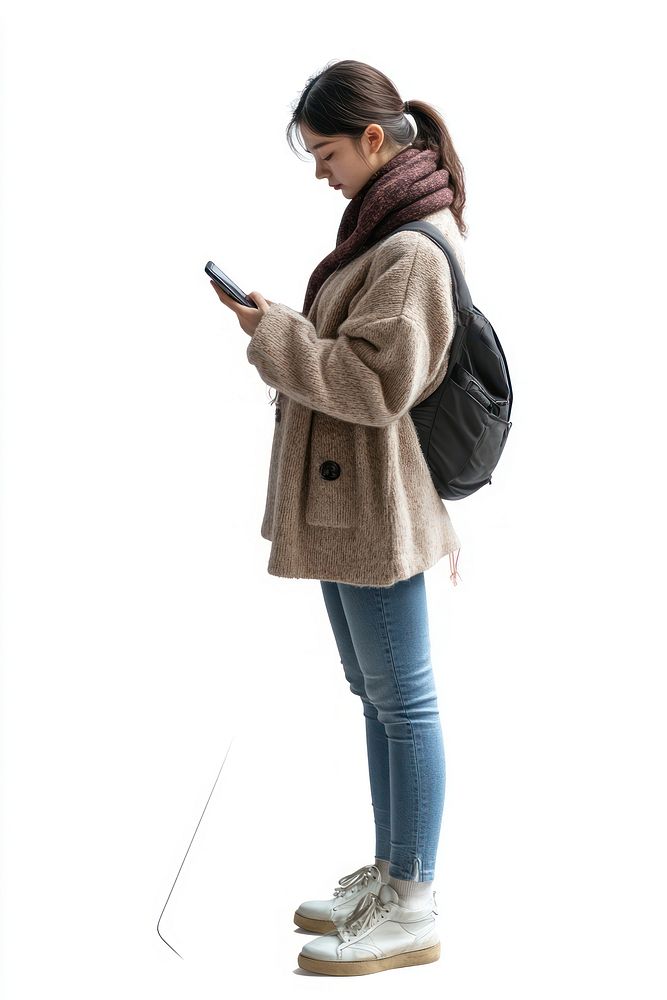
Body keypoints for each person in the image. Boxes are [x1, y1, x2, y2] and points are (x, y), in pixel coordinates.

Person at [210, 58, 469, 977]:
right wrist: (283, 322)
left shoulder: (408, 247)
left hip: (377, 501)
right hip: (351, 498)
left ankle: (415, 901)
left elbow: (373, 383)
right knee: (377, 694)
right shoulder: (382, 226)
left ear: (372, 140)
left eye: (325, 152)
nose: (319, 170)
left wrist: (270, 335)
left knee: (407, 700)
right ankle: (393, 874)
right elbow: (350, 356)